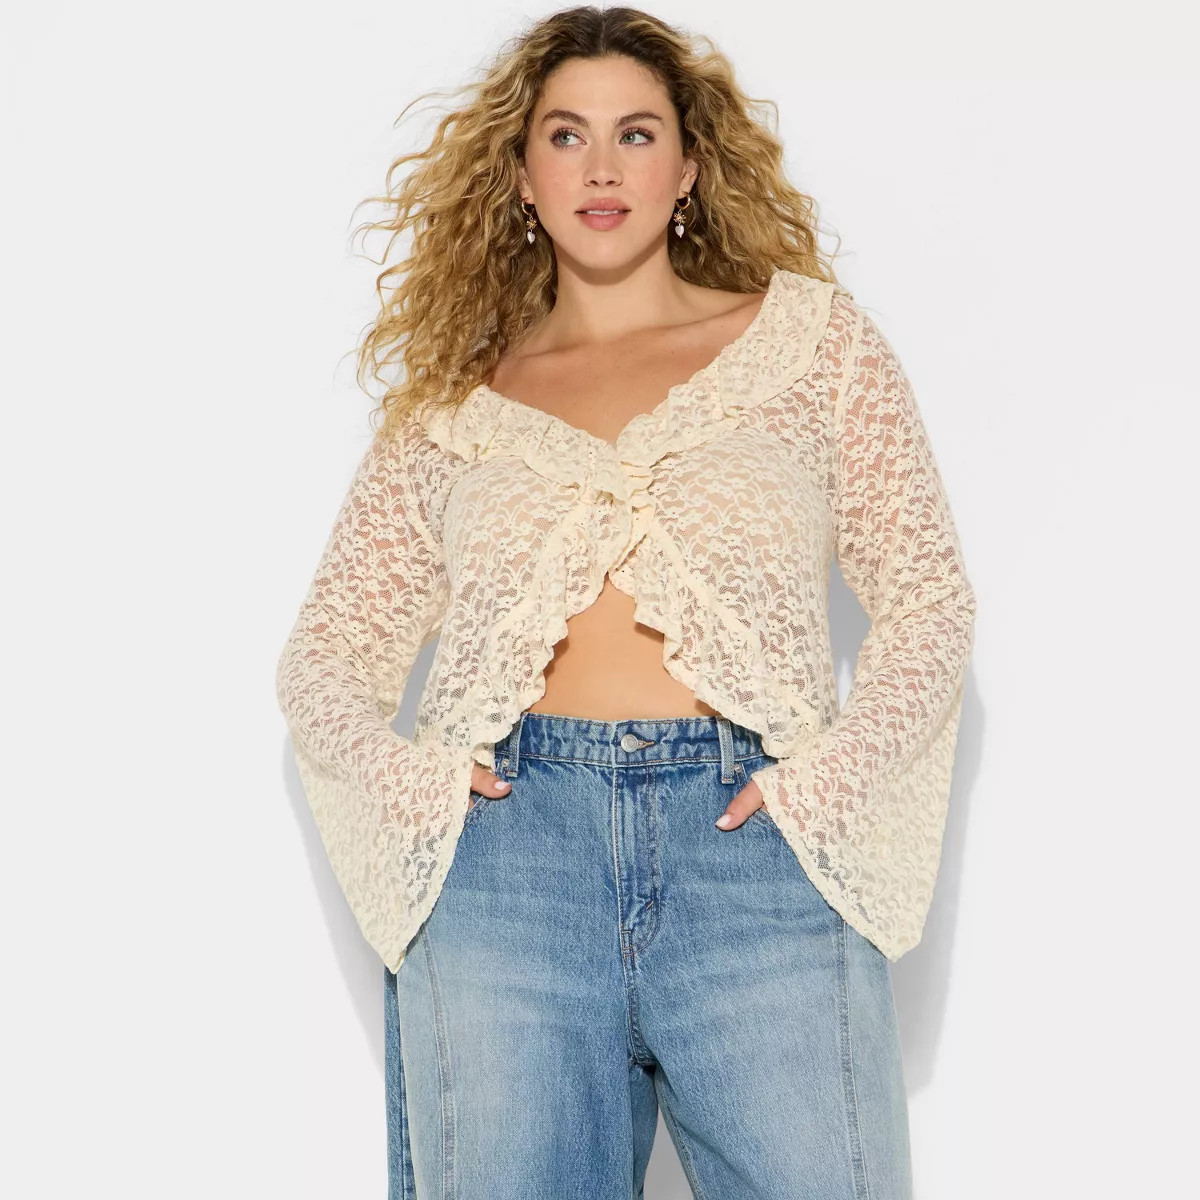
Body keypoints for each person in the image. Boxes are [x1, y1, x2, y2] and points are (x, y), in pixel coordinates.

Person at [275, 7, 977, 1198]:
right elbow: (326, 657)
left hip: (757, 850)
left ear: (690, 167)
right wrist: (423, 793)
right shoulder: (454, 404)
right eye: (567, 135)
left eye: (636, 134)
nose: (601, 167)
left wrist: (824, 787)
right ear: (521, 175)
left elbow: (928, 600)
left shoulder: (813, 349)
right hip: (507, 868)